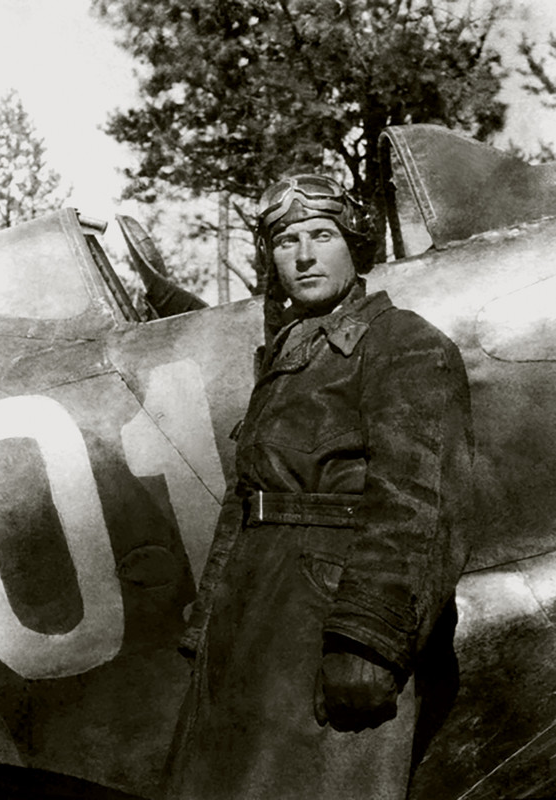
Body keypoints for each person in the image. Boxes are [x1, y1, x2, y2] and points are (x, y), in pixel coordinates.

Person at [163, 174, 475, 800]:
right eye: (285, 241)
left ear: (354, 245)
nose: (303, 255)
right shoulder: (287, 355)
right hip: (252, 617)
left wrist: (371, 642)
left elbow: (419, 507)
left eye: (322, 235)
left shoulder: (406, 344)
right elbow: (245, 502)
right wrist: (208, 624)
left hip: (327, 620)